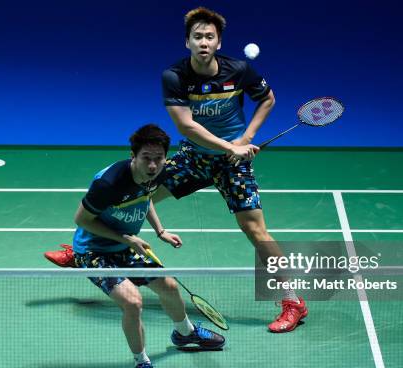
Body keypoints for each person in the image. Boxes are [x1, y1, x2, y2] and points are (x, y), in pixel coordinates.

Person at [45, 7, 307, 333]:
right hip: (194, 158)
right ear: (187, 42)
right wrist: (231, 146)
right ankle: (87, 252)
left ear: (219, 41)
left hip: (233, 165)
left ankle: (292, 301)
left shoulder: (238, 71)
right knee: (133, 190)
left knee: (257, 232)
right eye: (197, 36)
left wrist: (246, 137)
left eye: (209, 36)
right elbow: (187, 125)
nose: (203, 42)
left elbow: (267, 98)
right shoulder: (176, 77)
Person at [69, 124, 225, 368]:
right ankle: (142, 362)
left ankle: (185, 333)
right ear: (133, 155)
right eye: (146, 158)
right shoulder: (109, 183)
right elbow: (81, 220)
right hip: (94, 252)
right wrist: (128, 239)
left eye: (158, 158)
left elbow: (146, 195)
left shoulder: (158, 172)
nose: (152, 165)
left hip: (125, 244)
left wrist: (160, 231)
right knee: (132, 302)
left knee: (169, 287)